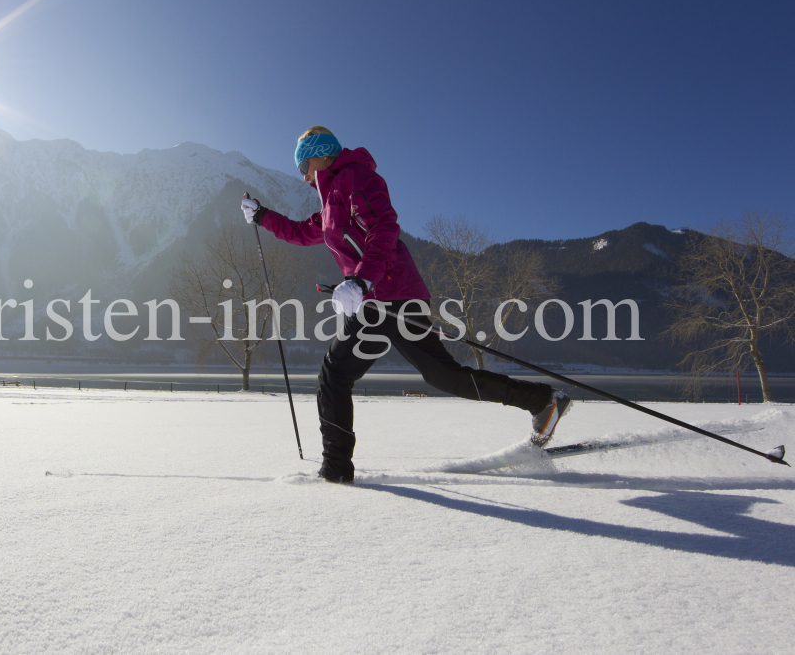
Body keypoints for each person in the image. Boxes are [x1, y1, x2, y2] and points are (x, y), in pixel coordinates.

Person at [241, 126, 571, 483]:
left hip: (387, 293)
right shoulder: (332, 197)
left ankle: (335, 471)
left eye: (303, 166)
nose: (303, 176)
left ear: (321, 155)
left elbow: (384, 228)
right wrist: (262, 216)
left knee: (339, 374)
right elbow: (303, 232)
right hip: (376, 296)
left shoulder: (356, 177)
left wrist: (361, 279)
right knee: (436, 375)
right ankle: (541, 400)